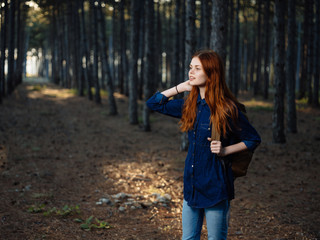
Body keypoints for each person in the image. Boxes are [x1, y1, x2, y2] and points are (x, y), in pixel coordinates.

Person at [146, 50, 261, 240]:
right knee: (188, 238)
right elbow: (153, 103)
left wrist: (225, 150)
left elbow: (253, 139)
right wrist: (179, 88)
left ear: (211, 73)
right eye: (190, 67)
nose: (191, 72)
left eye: (197, 68)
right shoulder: (188, 105)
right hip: (192, 184)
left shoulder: (227, 108)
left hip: (215, 185)